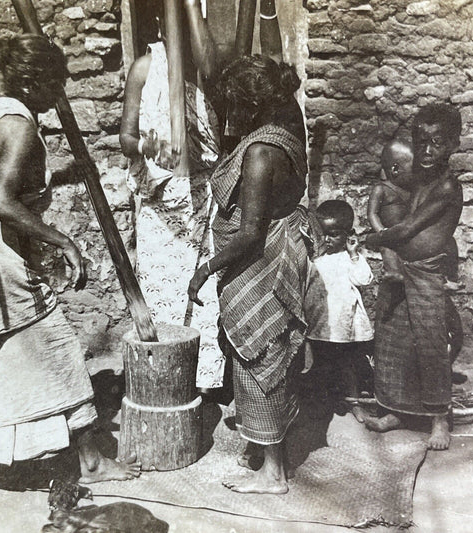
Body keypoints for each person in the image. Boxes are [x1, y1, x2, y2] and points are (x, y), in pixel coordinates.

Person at [0, 35, 140, 497]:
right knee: (58, 349)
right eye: (56, 81)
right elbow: (4, 201)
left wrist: (67, 173)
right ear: (33, 81)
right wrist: (63, 240)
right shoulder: (20, 127)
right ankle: (90, 462)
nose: (62, 90)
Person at [188, 54, 322, 494]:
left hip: (262, 262)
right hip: (271, 253)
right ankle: (265, 446)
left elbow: (249, 234)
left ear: (250, 103)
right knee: (266, 354)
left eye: (233, 104)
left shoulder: (262, 152)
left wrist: (205, 269)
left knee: (260, 355)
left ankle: (275, 473)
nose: (229, 114)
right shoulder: (286, 128)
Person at [119, 6, 224, 391]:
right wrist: (149, 145)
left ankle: (204, 381)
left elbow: (210, 64)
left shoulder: (208, 70)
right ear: (160, 25)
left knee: (206, 293)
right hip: (164, 209)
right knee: (164, 293)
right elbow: (125, 137)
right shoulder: (145, 67)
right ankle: (164, 379)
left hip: (205, 198)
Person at [365, 103, 464, 450]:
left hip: (426, 273)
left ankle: (440, 420)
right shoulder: (419, 178)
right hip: (402, 272)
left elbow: (407, 228)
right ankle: (398, 410)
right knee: (392, 341)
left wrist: (374, 238)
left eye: (437, 142)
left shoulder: (448, 187)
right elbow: (393, 202)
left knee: (431, 344)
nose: (427, 150)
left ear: (454, 144)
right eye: (421, 142)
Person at [304, 200, 374, 423]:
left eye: (333, 234)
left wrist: (354, 254)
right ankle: (319, 405)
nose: (326, 239)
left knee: (347, 365)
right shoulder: (314, 259)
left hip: (343, 325)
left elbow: (364, 279)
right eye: (322, 234)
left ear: (348, 234)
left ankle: (355, 403)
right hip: (319, 323)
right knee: (317, 366)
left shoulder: (349, 259)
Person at [367, 140, 413, 283]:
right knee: (388, 247)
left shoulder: (411, 190)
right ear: (395, 170)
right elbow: (372, 213)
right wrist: (381, 230)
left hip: (402, 233)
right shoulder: (381, 189)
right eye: (414, 169)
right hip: (385, 233)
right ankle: (393, 271)